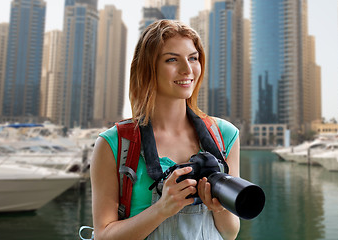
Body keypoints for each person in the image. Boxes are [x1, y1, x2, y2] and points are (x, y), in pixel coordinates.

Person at [90, 19, 241, 239]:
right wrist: (162, 208)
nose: (187, 70)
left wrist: (218, 207)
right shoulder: (114, 143)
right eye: (172, 59)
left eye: (193, 58)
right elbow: (103, 235)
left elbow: (230, 232)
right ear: (147, 67)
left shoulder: (224, 135)